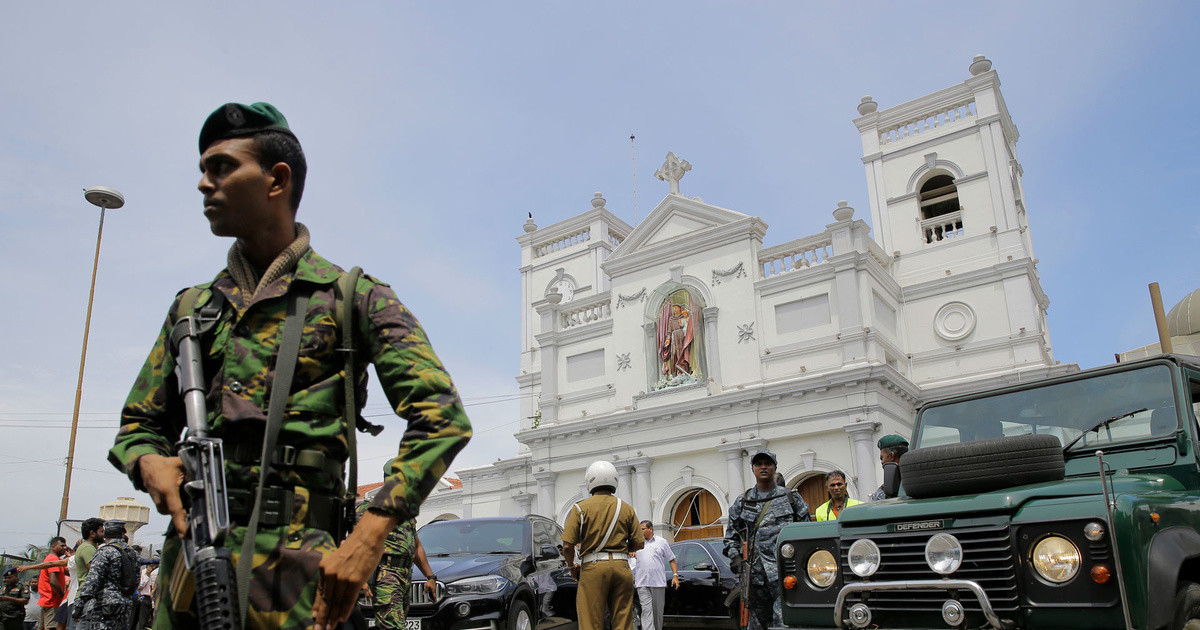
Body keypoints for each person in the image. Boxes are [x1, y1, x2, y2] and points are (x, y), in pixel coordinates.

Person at [107, 101, 472, 630]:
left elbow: (442, 419)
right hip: (194, 575)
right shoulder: (193, 309)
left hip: (303, 583)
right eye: (203, 171)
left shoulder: (352, 298)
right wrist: (148, 461)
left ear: (277, 179)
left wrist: (369, 537)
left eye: (222, 167)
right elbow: (137, 425)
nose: (205, 184)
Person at [723, 450, 810, 630]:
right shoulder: (743, 501)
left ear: (775, 467)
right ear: (753, 469)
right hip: (754, 578)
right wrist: (736, 558)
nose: (763, 467)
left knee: (783, 622)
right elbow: (730, 537)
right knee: (756, 623)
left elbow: (806, 534)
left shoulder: (790, 498)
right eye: (759, 464)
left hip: (784, 573)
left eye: (767, 464)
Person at [562, 461, 644, 630]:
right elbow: (640, 543)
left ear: (590, 482)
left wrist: (571, 567)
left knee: (591, 622)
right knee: (623, 621)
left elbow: (568, 547)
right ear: (614, 480)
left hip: (593, 568)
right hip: (622, 567)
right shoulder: (626, 508)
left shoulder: (580, 508)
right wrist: (621, 552)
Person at [358, 493, 436, 630]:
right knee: (393, 625)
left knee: (397, 622)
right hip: (386, 574)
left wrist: (430, 577)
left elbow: (416, 545)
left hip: (405, 575)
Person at [74, 520, 137, 630]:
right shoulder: (132, 553)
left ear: (106, 534)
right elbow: (136, 579)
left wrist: (79, 604)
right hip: (125, 604)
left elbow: (93, 579)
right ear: (122, 534)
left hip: (106, 604)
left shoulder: (105, 551)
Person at [631, 521, 678, 630]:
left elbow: (671, 559)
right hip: (642, 583)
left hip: (658, 583)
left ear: (650, 529)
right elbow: (628, 553)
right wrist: (630, 552)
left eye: (642, 529)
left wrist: (675, 575)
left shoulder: (662, 542)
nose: (640, 531)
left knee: (657, 613)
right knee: (646, 611)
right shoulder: (637, 543)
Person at [35, 538, 67, 630]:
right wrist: (63, 597)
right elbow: (53, 581)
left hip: (46, 601)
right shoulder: (53, 559)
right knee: (52, 627)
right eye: (62, 546)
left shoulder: (52, 559)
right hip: (53, 601)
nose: (64, 548)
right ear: (53, 547)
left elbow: (69, 572)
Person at [869, 435, 909, 501]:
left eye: (882, 458)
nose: (882, 462)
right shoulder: (915, 480)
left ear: (891, 456)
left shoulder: (883, 493)